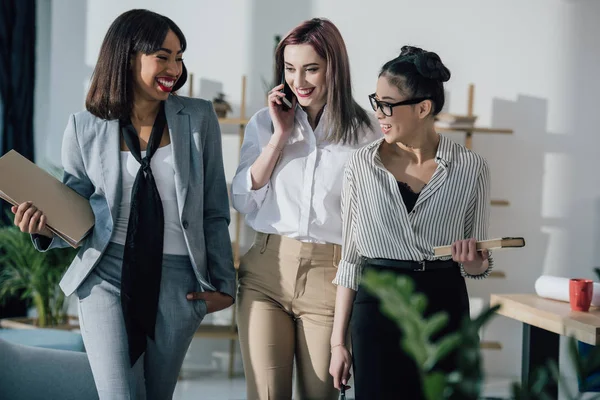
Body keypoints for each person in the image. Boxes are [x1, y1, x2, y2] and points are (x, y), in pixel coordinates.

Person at [11, 9, 235, 399]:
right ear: (128, 56)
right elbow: (76, 205)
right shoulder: (85, 126)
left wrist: (224, 287)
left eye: (179, 57)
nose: (174, 68)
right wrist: (45, 228)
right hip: (106, 272)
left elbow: (213, 209)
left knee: (156, 394)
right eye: (162, 57)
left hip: (178, 280)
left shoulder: (197, 118)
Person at [329, 46, 493, 399]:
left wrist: (474, 260)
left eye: (387, 104)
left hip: (444, 304)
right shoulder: (361, 165)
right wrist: (337, 343)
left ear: (423, 108)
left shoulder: (471, 168)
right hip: (377, 306)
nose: (378, 113)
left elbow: (478, 262)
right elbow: (351, 259)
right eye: (376, 101)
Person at [231, 17, 380, 400]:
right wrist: (279, 138)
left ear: (335, 67)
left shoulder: (366, 134)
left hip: (331, 278)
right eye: (291, 69)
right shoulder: (266, 123)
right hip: (266, 271)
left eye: (311, 68)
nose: (300, 81)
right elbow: (243, 199)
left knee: (320, 395)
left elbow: (369, 221)